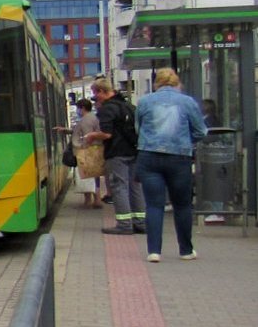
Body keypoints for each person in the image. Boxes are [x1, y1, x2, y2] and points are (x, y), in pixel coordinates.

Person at [134, 67, 207, 262]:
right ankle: (185, 250)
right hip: (179, 158)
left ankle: (154, 251)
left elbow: (138, 128)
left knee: (154, 205)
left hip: (148, 156)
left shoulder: (144, 101)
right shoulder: (187, 102)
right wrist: (184, 141)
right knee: (182, 205)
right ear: (177, 82)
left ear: (157, 83)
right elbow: (201, 131)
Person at [88, 78, 142, 236]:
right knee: (135, 186)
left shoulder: (107, 109)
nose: (95, 98)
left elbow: (106, 133)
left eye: (95, 94)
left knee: (119, 187)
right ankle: (140, 222)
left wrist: (92, 135)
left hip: (117, 153)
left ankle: (124, 224)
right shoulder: (129, 106)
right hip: (134, 150)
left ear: (101, 91)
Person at [67, 98, 103, 208]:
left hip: (87, 151)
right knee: (93, 176)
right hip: (95, 149)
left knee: (88, 176)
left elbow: (86, 136)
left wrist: (81, 147)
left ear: (82, 108)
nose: (77, 111)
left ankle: (94, 200)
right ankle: (93, 199)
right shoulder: (94, 117)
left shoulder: (86, 120)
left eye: (78, 108)